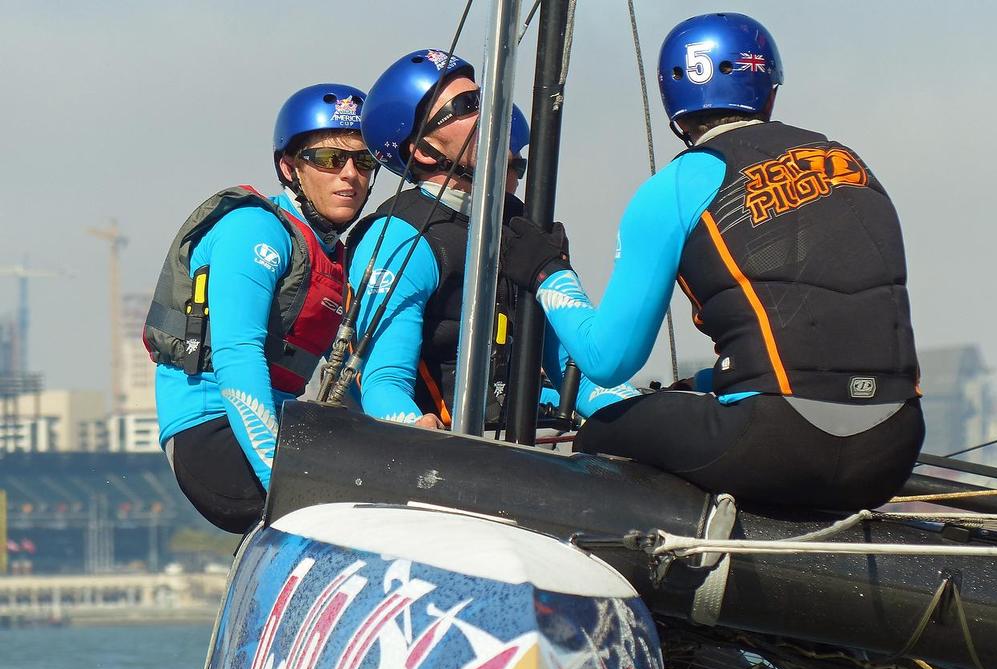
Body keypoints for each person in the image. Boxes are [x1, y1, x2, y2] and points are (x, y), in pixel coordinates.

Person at [503, 13, 924, 510]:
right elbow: (816, 325)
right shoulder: (848, 162)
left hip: (778, 443)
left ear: (674, 103)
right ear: (767, 88)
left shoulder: (675, 187)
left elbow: (607, 360)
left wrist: (547, 271)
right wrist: (707, 383)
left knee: (601, 432)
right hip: (894, 447)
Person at [349, 49, 638, 429]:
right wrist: (416, 429)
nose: (489, 113)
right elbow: (383, 385)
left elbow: (579, 378)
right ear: (421, 149)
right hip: (433, 462)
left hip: (507, 451)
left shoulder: (519, 229)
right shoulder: (402, 236)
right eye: (467, 105)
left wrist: (648, 415)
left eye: (484, 99)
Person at [144, 84, 375, 532]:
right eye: (330, 159)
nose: (349, 174)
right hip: (214, 434)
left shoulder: (334, 255)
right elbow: (237, 356)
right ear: (290, 168)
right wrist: (281, 481)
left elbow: (352, 376)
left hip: (282, 426)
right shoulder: (256, 229)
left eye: (362, 161)